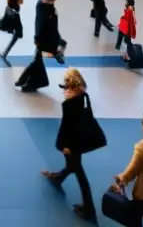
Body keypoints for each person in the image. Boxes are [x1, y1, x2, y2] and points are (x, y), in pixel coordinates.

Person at [41, 68, 105, 221]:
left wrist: (66, 146)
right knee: (74, 166)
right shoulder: (84, 98)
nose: (65, 92)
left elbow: (68, 128)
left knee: (80, 174)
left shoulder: (69, 105)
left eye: (66, 88)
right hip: (83, 141)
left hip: (73, 145)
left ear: (71, 87)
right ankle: (58, 177)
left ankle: (89, 208)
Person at [0, 0, 23, 64]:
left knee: (16, 36)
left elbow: (21, 1)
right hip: (11, 21)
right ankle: (5, 54)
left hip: (12, 20)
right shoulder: (12, 7)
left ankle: (5, 54)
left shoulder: (11, 1)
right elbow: (21, 1)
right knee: (16, 35)